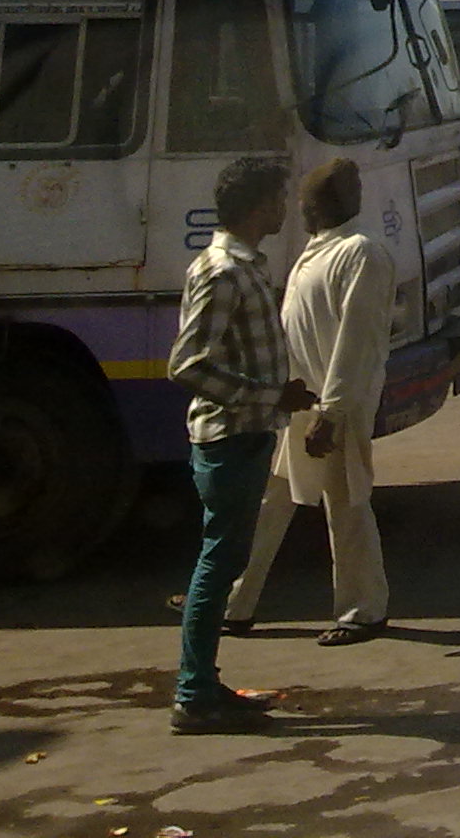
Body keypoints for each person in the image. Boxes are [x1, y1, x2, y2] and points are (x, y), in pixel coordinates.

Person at [168, 156, 316, 733]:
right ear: (258, 207)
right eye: (279, 200)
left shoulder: (244, 266)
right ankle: (193, 694)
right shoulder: (222, 271)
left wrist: (278, 396)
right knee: (217, 565)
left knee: (224, 559)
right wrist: (267, 397)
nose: (285, 210)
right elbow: (187, 365)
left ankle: (202, 686)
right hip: (229, 438)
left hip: (248, 432)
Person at [223, 159, 393, 646]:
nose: (295, 211)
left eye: (301, 204)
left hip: (335, 408)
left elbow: (355, 343)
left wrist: (332, 414)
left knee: (346, 504)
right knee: (270, 501)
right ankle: (235, 602)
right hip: (301, 404)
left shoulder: (361, 254)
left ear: (317, 207)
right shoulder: (312, 255)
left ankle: (363, 611)